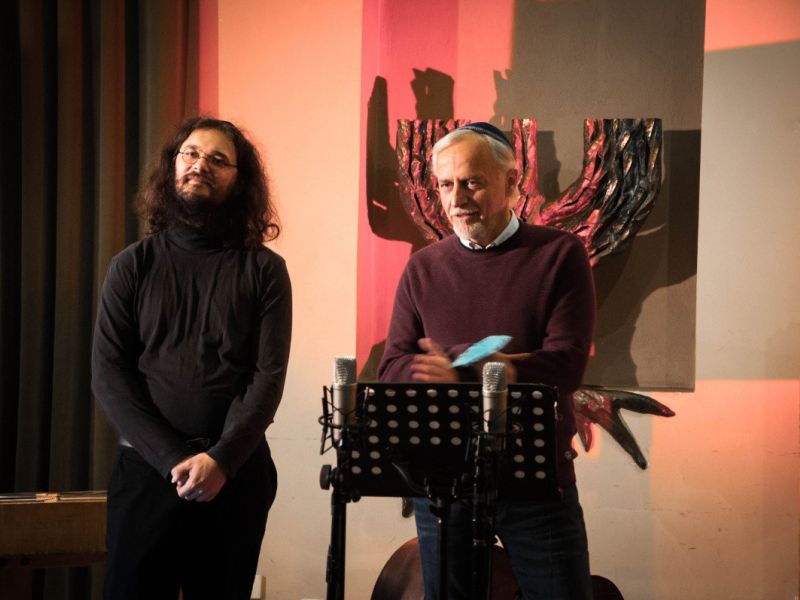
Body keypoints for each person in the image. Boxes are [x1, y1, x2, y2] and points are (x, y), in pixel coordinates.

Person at [378, 122, 596, 599]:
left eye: (472, 182)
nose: (457, 199)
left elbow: (565, 364)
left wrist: (463, 368)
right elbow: (392, 366)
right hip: (443, 479)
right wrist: (482, 366)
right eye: (446, 184)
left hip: (535, 480)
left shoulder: (560, 254)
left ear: (512, 181)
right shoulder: (423, 267)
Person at [92, 116, 292, 600]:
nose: (201, 165)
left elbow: (267, 379)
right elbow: (109, 375)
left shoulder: (265, 270)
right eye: (191, 154)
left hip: (235, 476)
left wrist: (219, 461)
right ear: (172, 166)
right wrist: (173, 459)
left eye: (218, 159)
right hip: (146, 474)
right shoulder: (131, 265)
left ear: (239, 181)